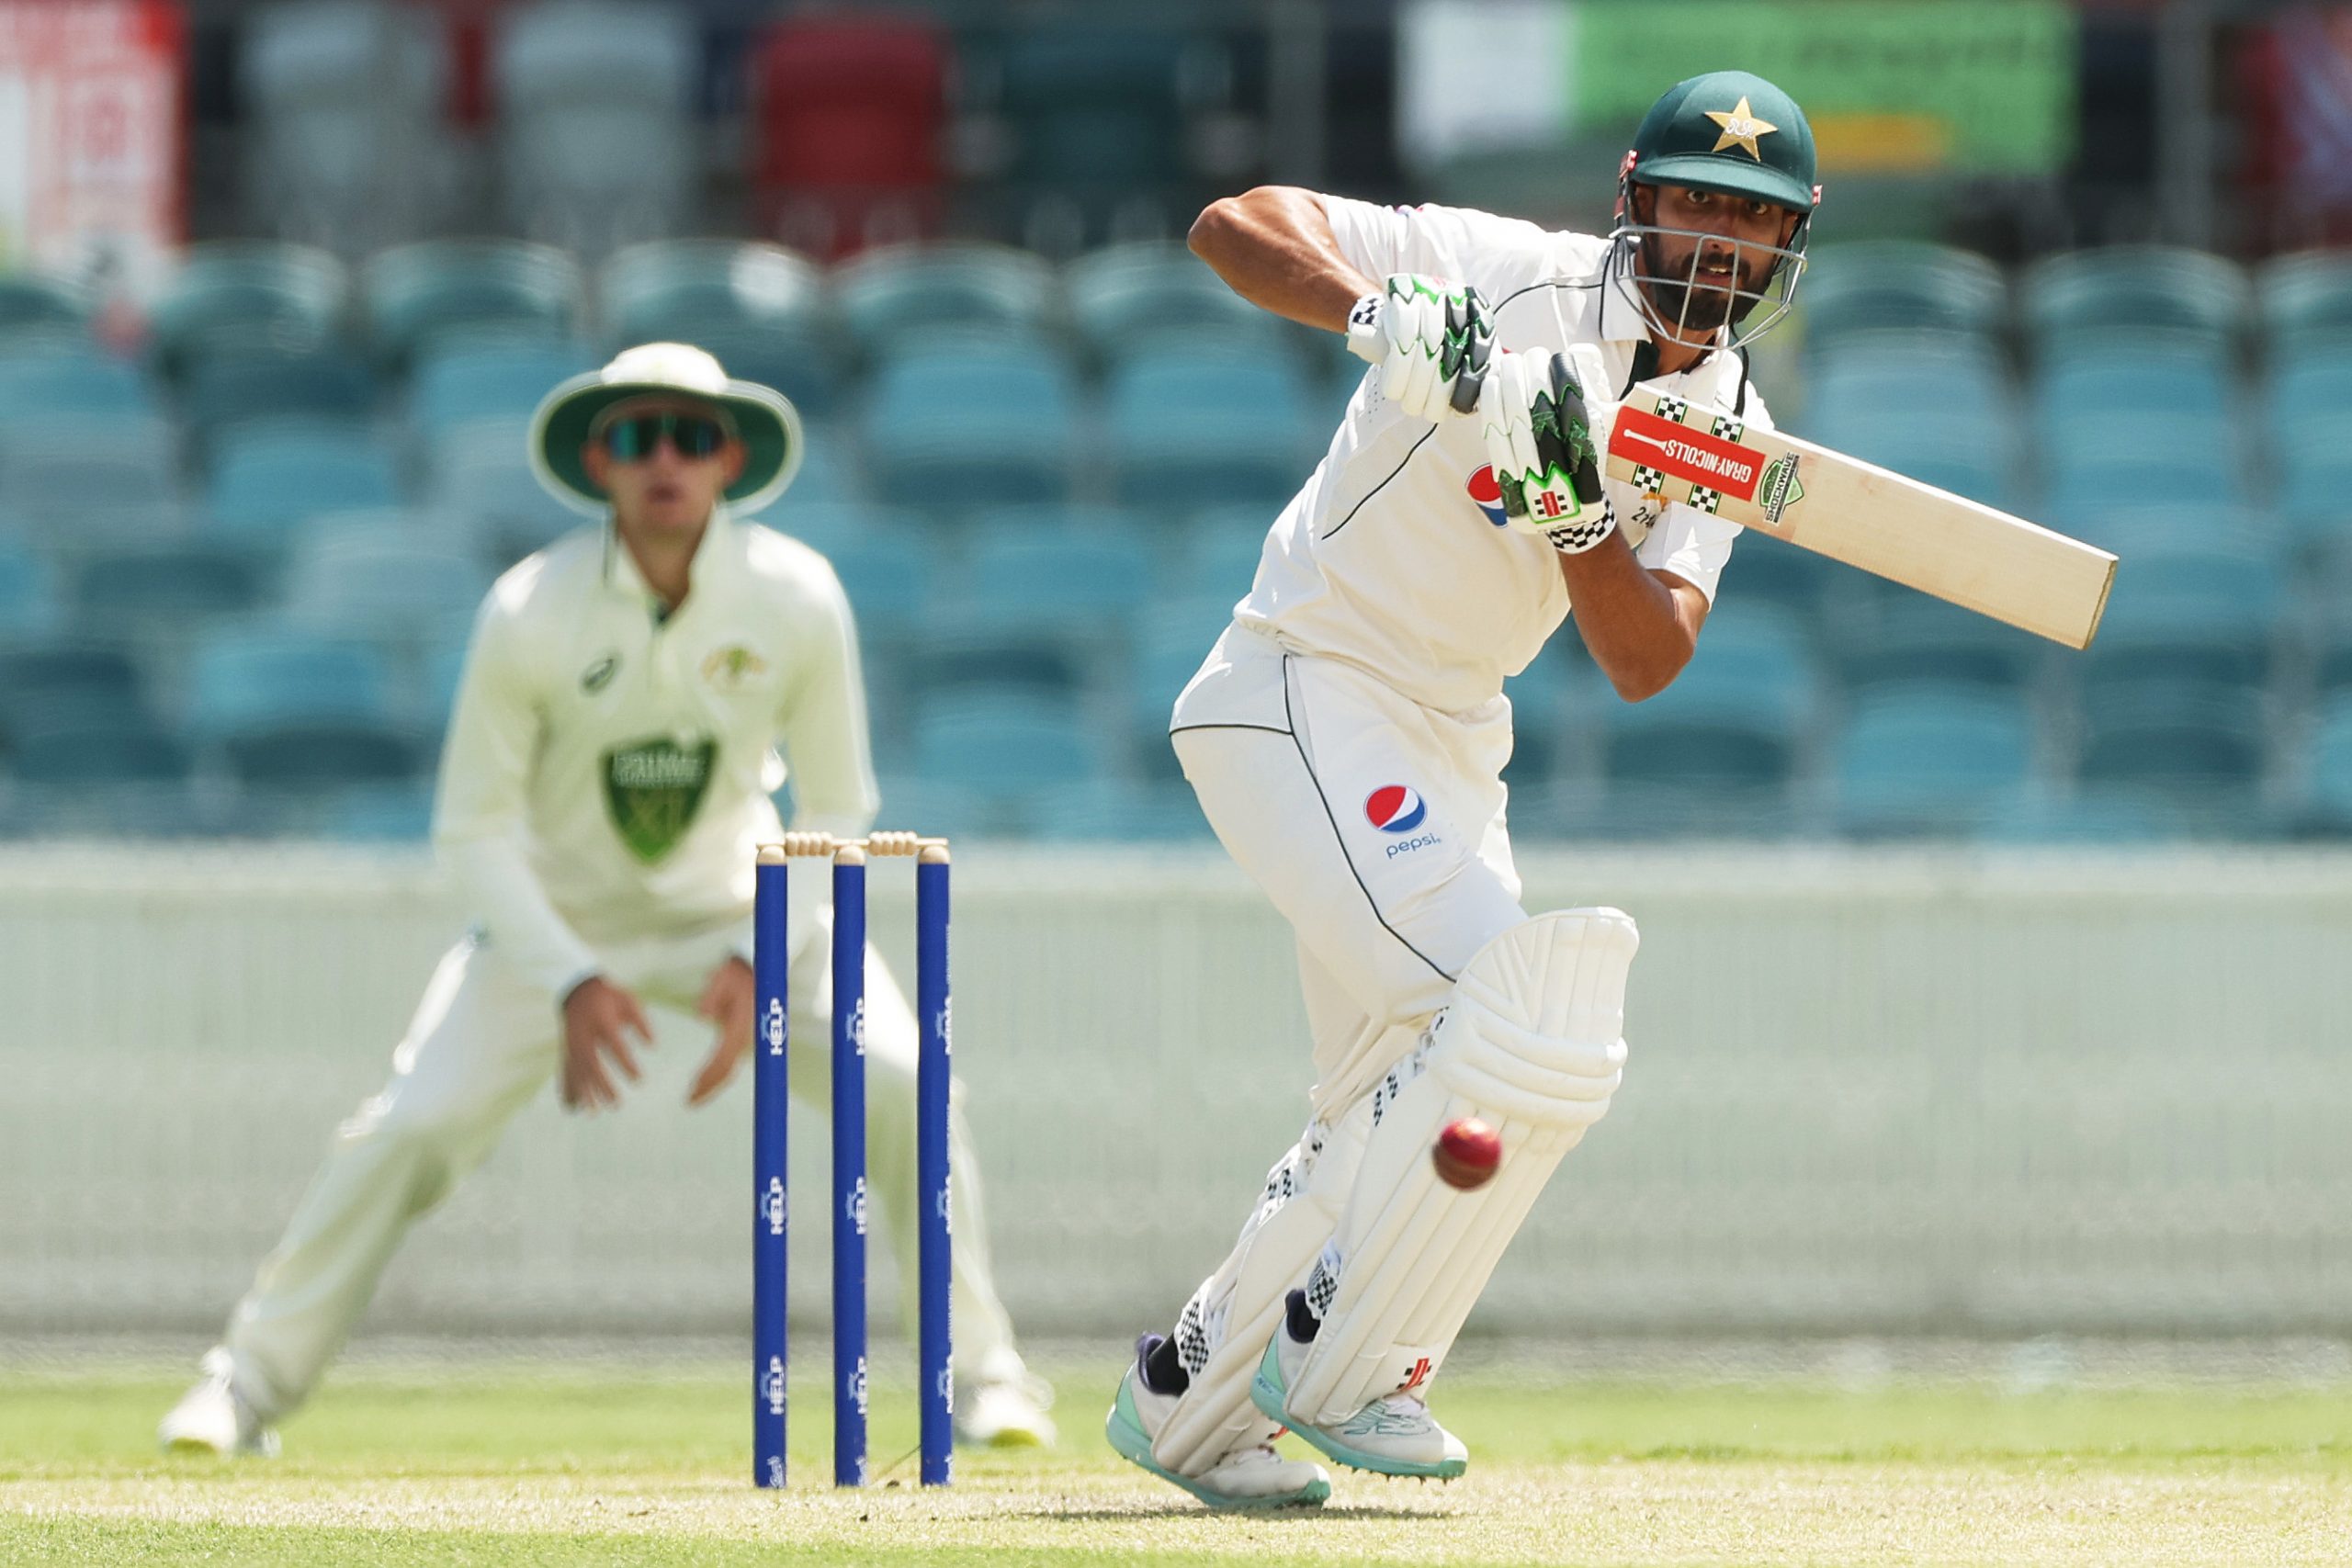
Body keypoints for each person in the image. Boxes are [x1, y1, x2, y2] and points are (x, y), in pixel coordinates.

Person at [1102, 72, 1820, 1509]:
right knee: (1513, 1014)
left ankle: (1186, 1395)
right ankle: (1353, 1357)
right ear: (1636, 201)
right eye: (1696, 204)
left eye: (1754, 223)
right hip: (1305, 683)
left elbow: (1643, 655)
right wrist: (1385, 317)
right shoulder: (1507, 274)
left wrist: (1571, 503)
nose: (1718, 246)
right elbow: (1231, 225)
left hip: (1450, 741)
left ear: (1784, 254)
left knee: (1394, 1095)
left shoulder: (1724, 415)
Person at [160, 344, 1054, 1456]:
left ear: (729, 455)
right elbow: (473, 830)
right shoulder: (529, 609)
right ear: (600, 461)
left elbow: (838, 808)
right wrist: (573, 979)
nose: (664, 461)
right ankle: (242, 1387)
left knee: (909, 1087)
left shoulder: (794, 596)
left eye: (689, 437)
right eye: (637, 438)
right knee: (413, 1127)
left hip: (751, 913)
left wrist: (765, 960)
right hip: (560, 925)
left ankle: (986, 1379)